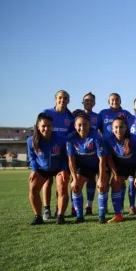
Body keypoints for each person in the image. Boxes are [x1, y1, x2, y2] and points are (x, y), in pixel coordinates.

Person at [27, 113, 70, 225]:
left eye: (49, 126)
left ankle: (60, 215)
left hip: (59, 168)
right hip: (42, 169)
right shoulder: (31, 141)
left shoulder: (61, 139)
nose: (46, 129)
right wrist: (34, 170)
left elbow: (66, 157)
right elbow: (32, 158)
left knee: (62, 187)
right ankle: (38, 216)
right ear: (37, 126)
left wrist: (65, 170)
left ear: (53, 126)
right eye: (43, 126)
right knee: (33, 188)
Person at [67, 112, 109, 223]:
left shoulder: (96, 136)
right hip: (83, 166)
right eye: (79, 125)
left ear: (89, 125)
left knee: (102, 186)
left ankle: (101, 215)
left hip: (97, 165)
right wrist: (74, 179)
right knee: (75, 187)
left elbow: (102, 159)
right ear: (75, 126)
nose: (82, 127)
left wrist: (100, 178)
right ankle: (80, 216)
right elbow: (71, 161)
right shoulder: (71, 138)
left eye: (85, 124)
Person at [41, 90, 74, 220]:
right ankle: (47, 209)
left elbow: (72, 134)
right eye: (60, 97)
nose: (62, 100)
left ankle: (58, 209)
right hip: (47, 154)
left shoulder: (70, 117)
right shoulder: (47, 113)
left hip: (62, 155)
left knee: (61, 183)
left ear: (68, 100)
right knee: (47, 181)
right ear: (55, 99)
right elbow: (39, 129)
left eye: (65, 98)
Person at [104, 116, 136, 223]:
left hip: (135, 165)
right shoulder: (108, 140)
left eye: (121, 127)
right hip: (121, 166)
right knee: (115, 183)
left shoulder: (134, 139)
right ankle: (118, 215)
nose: (118, 130)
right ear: (112, 129)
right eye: (116, 127)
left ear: (126, 128)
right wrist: (115, 174)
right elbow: (109, 158)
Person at [76, 92, 102, 216]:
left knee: (92, 178)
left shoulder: (98, 117)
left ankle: (89, 206)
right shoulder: (75, 114)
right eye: (87, 100)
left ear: (94, 103)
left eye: (91, 101)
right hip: (79, 153)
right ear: (83, 102)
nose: (89, 102)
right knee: (75, 180)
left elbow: (103, 132)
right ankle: (75, 208)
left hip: (93, 153)